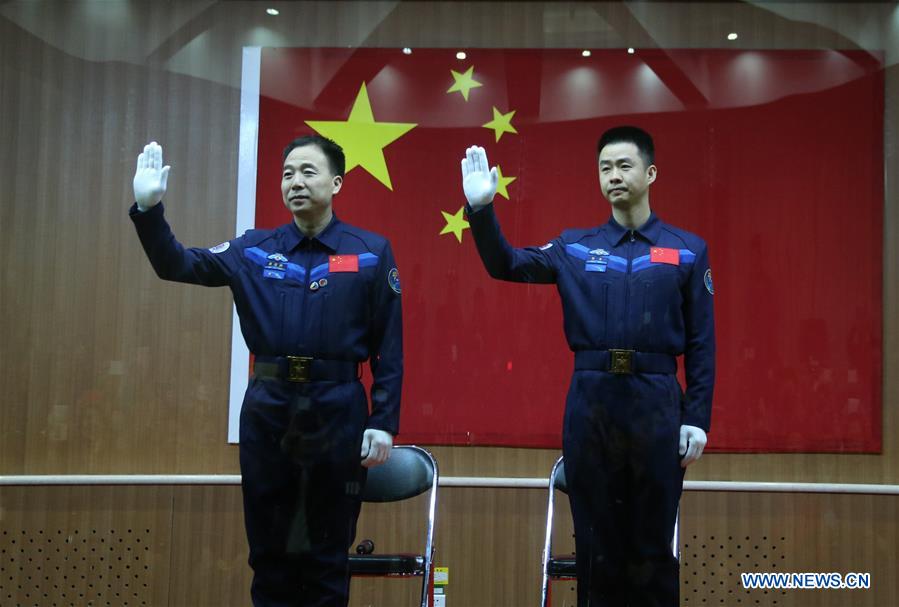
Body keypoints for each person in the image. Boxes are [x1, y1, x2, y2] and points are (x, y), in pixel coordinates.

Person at [130, 135, 402, 607]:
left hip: (338, 409)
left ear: (336, 182)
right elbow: (177, 264)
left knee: (328, 552)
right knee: (269, 550)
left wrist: (383, 421)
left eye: (308, 172)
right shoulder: (254, 249)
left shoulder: (371, 252)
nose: (295, 182)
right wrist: (149, 209)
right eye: (287, 173)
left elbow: (389, 346)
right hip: (270, 411)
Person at [460, 126, 714, 607]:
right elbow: (508, 264)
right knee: (595, 551)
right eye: (605, 168)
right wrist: (481, 210)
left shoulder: (687, 249)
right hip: (592, 404)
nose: (614, 175)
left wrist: (697, 417)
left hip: (657, 402)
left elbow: (702, 342)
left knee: (652, 548)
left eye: (624, 165)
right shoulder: (575, 247)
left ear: (650, 172)